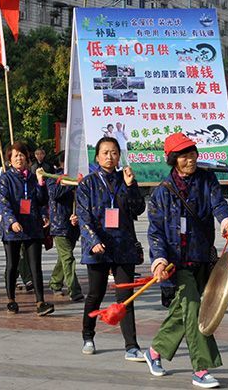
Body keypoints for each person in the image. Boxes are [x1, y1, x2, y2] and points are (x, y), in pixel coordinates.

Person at [145, 133, 228, 387]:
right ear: (173, 159)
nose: (190, 159)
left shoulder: (207, 179)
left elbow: (218, 204)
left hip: (203, 257)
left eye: (192, 153)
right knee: (195, 309)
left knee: (182, 310)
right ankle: (201, 369)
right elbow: (155, 231)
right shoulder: (162, 192)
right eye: (183, 155)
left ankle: (154, 352)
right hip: (175, 263)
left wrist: (226, 221)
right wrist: (159, 260)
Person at [77, 136, 145, 359]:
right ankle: (88, 335)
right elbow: (84, 216)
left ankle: (131, 345)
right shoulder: (88, 183)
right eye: (105, 152)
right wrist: (93, 241)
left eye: (114, 152)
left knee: (125, 296)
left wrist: (131, 185)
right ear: (97, 157)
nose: (110, 156)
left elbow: (138, 209)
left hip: (123, 245)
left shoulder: (124, 179)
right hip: (99, 246)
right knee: (95, 294)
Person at [0, 140, 53, 316]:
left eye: (22, 154)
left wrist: (41, 184)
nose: (19, 158)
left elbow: (42, 200)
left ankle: (40, 301)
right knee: (12, 264)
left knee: (35, 265)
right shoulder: (5, 179)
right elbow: (3, 203)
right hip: (13, 228)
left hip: (32, 226)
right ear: (9, 159)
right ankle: (11, 300)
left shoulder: (31, 177)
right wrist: (12, 221)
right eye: (15, 155)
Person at [46, 158, 83, 302]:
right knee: (67, 257)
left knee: (64, 258)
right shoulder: (53, 178)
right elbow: (54, 194)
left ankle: (55, 282)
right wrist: (70, 183)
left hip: (74, 224)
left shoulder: (80, 178)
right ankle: (74, 290)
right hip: (59, 225)